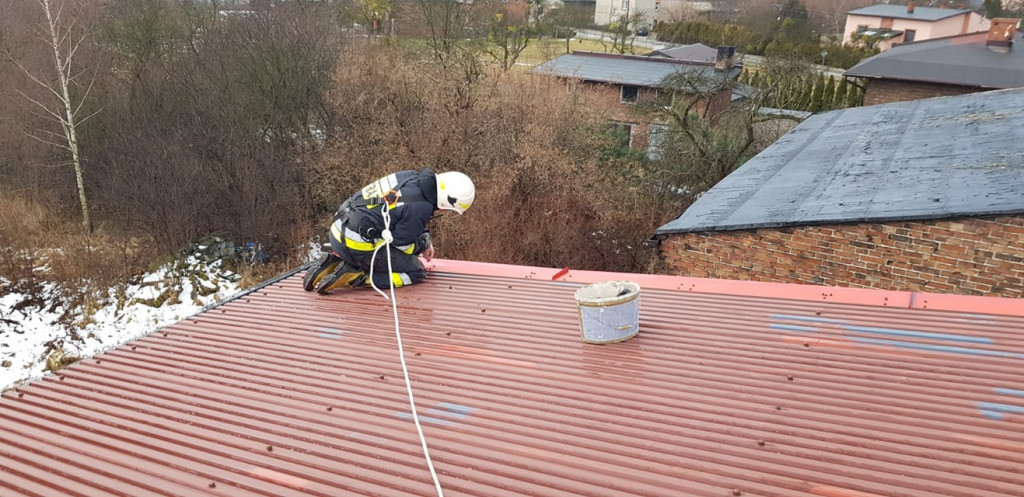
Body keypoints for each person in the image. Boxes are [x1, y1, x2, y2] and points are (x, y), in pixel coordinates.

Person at [304, 168, 475, 294]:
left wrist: (424, 238)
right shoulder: (422, 207)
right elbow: (402, 246)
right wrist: (421, 244)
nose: (443, 212)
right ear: (447, 201)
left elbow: (395, 217)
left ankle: (332, 262)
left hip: (338, 231)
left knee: (379, 253)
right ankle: (356, 277)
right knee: (415, 271)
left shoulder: (410, 177)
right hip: (356, 244)